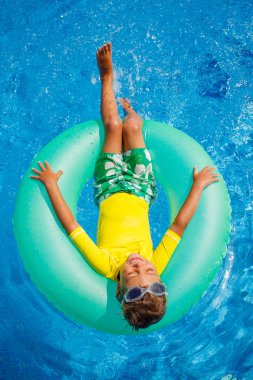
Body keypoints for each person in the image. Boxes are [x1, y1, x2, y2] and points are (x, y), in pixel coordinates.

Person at [30, 42, 220, 330]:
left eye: (133, 273)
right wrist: (198, 185)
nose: (139, 264)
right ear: (157, 273)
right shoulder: (157, 259)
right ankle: (132, 109)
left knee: (113, 126)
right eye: (149, 269)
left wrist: (53, 184)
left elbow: (70, 225)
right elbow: (179, 224)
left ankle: (106, 76)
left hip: (107, 187)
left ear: (119, 288)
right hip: (141, 188)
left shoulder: (104, 265)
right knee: (132, 126)